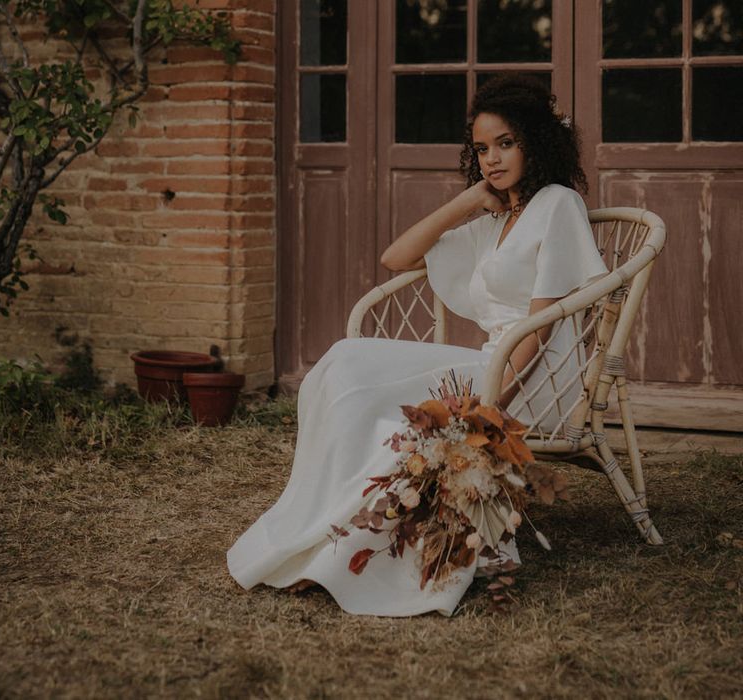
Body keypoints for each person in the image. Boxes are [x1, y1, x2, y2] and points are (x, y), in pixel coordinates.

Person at [226, 75, 608, 617]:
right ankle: (319, 538)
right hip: (490, 359)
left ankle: (344, 557)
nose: (492, 159)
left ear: (536, 142)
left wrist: (492, 406)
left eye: (506, 143)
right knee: (344, 362)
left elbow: (541, 326)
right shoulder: (499, 218)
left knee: (374, 390)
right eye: (481, 149)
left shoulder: (558, 205)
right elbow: (396, 258)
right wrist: (473, 197)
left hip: (532, 374)